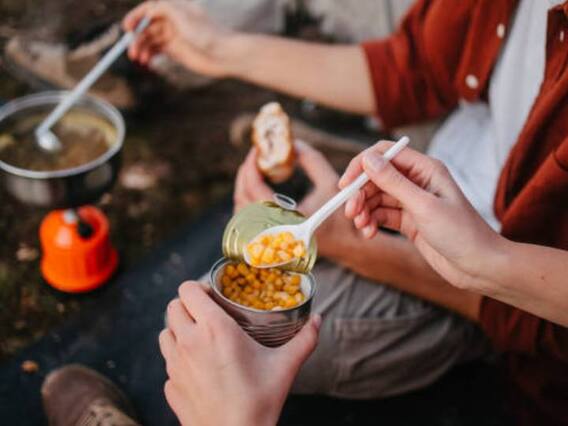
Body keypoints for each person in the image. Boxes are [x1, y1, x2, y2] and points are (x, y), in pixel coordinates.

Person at [122, 0, 568, 424]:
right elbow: (415, 67)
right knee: (202, 332)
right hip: (447, 181)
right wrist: (218, 49)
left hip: (497, 304)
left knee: (218, 337)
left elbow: (538, 323)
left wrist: (357, 249)